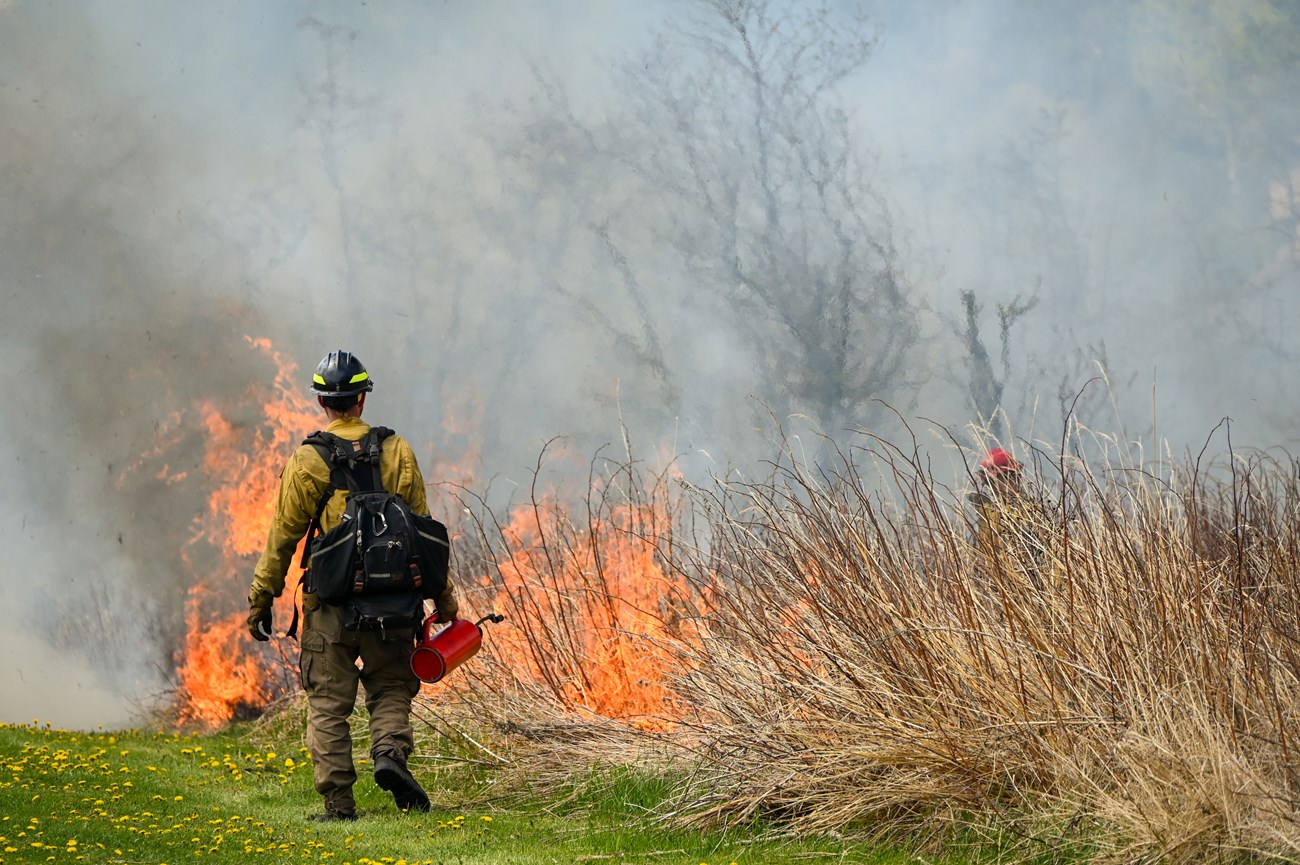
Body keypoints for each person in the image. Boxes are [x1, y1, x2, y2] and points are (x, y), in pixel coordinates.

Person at [246, 350, 459, 822]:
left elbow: (282, 537)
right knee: (390, 686)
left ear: (324, 401)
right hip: (397, 602)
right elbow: (423, 531)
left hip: (331, 604)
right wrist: (443, 599)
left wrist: (262, 598)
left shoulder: (308, 460)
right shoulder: (397, 450)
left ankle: (340, 805)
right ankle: (389, 755)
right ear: (362, 399)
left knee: (328, 702)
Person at [967, 447, 1047, 587]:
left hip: (1032, 581)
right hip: (1001, 585)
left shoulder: (1030, 511)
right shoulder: (985, 514)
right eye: (1006, 477)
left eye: (1013, 476)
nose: (1012, 482)